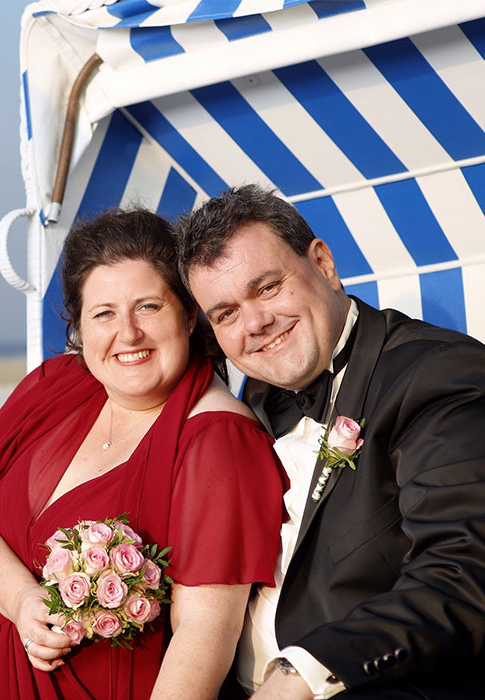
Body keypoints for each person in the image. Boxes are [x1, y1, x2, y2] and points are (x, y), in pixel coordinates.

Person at [0, 208, 287, 700]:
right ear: (81, 326)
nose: (127, 334)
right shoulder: (56, 386)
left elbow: (204, 635)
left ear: (188, 314)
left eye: (148, 307)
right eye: (104, 313)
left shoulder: (216, 440)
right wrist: (23, 599)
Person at [177, 184, 485, 700]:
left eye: (268, 288)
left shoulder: (437, 374)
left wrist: (305, 671)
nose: (255, 324)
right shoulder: (248, 400)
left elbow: (462, 573)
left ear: (323, 264)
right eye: (225, 313)